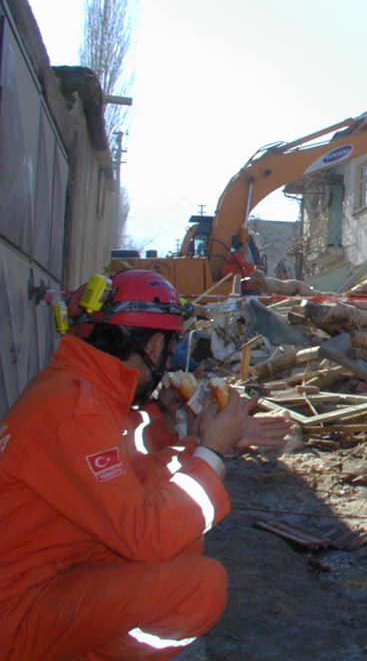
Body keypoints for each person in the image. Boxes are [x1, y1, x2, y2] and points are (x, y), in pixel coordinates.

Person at [0, 269, 290, 660]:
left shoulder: (81, 390)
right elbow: (148, 533)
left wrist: (201, 445)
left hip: (47, 575)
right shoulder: (76, 410)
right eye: (169, 349)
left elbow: (138, 477)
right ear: (154, 346)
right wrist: (212, 453)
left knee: (182, 538)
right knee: (198, 588)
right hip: (16, 613)